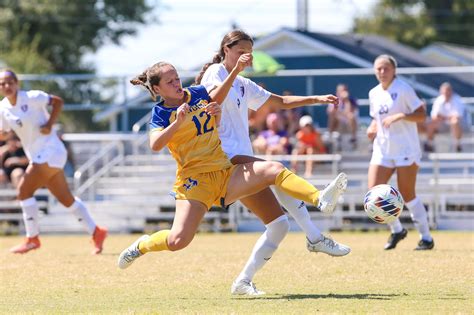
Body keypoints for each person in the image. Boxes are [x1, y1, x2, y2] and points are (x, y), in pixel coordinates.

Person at [117, 62, 349, 296]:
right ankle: (142, 245)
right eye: (170, 82)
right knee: (178, 241)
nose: (177, 83)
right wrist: (177, 123)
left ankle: (319, 198)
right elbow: (156, 145)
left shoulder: (197, 93)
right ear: (157, 90)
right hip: (195, 181)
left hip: (225, 171)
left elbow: (210, 124)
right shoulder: (161, 113)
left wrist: (216, 116)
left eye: (177, 78)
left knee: (274, 169)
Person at [195, 30, 350, 295]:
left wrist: (317, 98)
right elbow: (212, 100)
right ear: (227, 49)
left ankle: (243, 282)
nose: (248, 55)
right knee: (276, 170)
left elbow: (280, 101)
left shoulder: (244, 85)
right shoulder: (215, 73)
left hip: (240, 159)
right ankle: (318, 203)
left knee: (279, 226)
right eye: (242, 50)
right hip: (223, 159)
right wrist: (235, 72)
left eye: (250, 51)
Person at [0, 69, 108, 254]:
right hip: (37, 155)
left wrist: (50, 124)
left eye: (10, 82)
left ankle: (32, 239)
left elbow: (57, 101)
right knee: (67, 200)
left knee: (24, 191)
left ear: (17, 83)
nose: (6, 86)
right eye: (2, 84)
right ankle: (97, 232)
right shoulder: (3, 108)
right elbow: (4, 131)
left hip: (52, 151)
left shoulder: (32, 96)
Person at [366, 55, 434, 251]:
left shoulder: (403, 89)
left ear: (394, 70)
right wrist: (372, 128)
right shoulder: (374, 93)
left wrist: (401, 116)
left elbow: (421, 114)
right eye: (378, 68)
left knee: (407, 194)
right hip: (383, 149)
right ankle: (397, 229)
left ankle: (426, 238)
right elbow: (376, 119)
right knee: (374, 193)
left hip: (405, 149)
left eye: (386, 68)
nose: (382, 72)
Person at [424, 82, 466, 152]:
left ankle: (458, 144)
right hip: (441, 125)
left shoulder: (457, 99)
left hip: (456, 125)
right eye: (444, 91)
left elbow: (458, 116)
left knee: (454, 122)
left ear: (451, 91)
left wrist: (443, 117)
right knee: (431, 123)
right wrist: (447, 117)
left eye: (448, 91)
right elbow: (434, 116)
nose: (446, 93)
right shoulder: (438, 100)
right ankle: (429, 144)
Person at [327, 83, 359, 150]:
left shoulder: (352, 100)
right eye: (341, 91)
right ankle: (330, 136)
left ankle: (353, 138)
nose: (343, 92)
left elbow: (350, 112)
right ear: (337, 92)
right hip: (338, 124)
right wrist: (340, 111)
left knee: (351, 116)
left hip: (348, 125)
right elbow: (331, 112)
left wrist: (346, 101)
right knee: (332, 116)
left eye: (344, 90)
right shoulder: (333, 100)